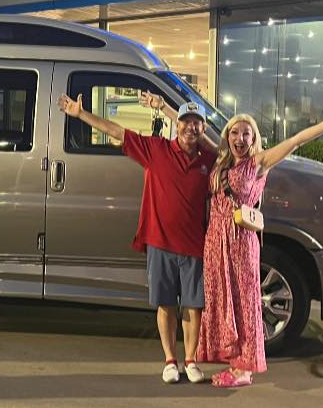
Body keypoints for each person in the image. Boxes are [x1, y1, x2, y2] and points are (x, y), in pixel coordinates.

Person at [57, 91, 215, 384]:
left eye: (197, 123)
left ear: (203, 128)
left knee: (194, 307)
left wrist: (165, 107)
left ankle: (191, 360)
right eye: (185, 121)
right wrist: (81, 115)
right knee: (166, 304)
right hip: (160, 241)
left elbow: (226, 154)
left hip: (195, 244)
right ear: (176, 124)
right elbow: (117, 131)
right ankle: (170, 361)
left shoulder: (209, 160)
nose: (190, 128)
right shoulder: (156, 149)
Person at [198, 106, 323, 387]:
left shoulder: (259, 162)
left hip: (240, 241)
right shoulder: (222, 160)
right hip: (216, 241)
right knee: (225, 302)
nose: (239, 138)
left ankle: (244, 369)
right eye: (234, 132)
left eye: (246, 134)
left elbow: (296, 140)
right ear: (227, 136)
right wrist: (163, 107)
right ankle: (234, 361)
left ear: (254, 139)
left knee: (245, 303)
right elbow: (196, 132)